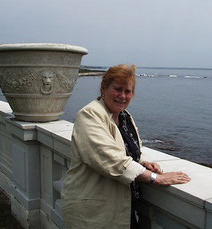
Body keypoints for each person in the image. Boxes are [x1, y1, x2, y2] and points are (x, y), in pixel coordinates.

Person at [61, 64, 191, 229]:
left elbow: (128, 147)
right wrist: (155, 178)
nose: (122, 96)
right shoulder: (90, 115)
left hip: (122, 207)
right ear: (104, 88)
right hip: (93, 210)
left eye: (128, 91)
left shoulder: (124, 117)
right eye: (118, 89)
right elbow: (110, 158)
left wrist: (143, 162)